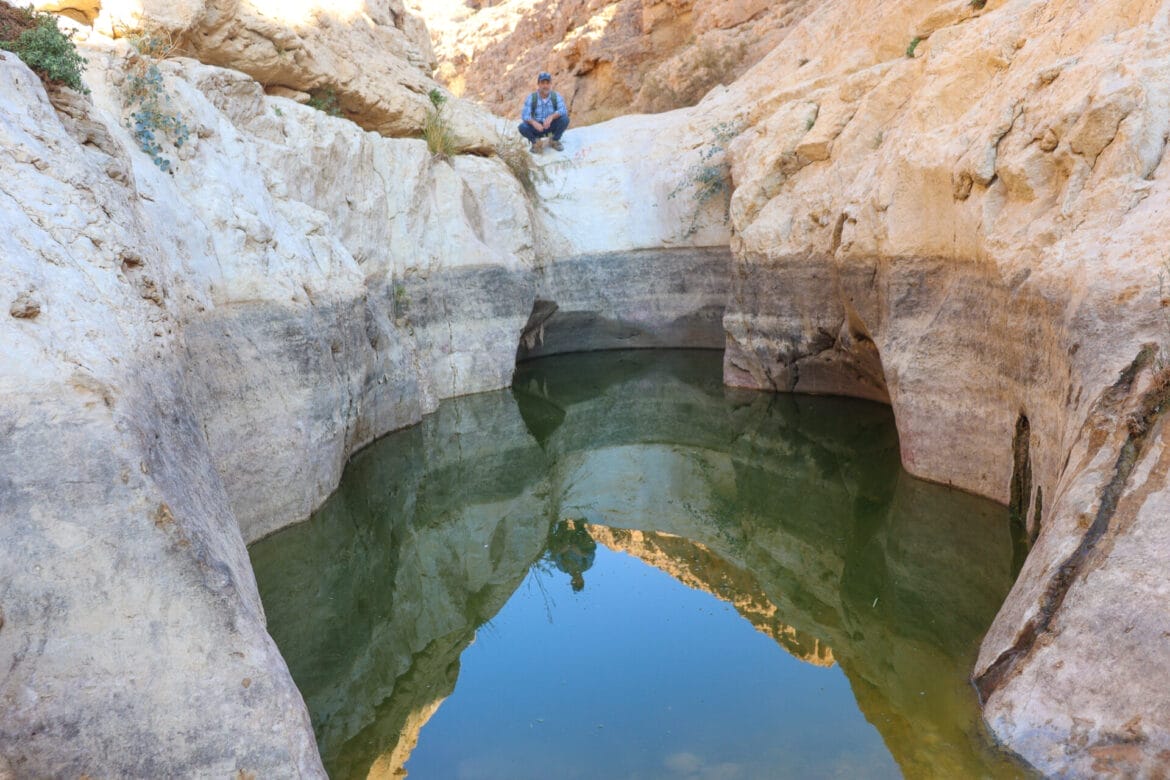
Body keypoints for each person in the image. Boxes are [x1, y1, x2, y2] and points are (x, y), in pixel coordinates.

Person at [519, 71, 569, 154]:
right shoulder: (532, 97)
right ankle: (536, 142)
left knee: (565, 119)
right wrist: (534, 123)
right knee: (522, 127)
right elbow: (525, 115)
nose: (545, 86)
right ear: (538, 84)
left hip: (550, 126)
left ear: (550, 84)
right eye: (542, 83)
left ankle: (554, 140)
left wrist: (552, 117)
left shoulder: (556, 96)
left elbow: (563, 110)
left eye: (547, 83)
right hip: (537, 128)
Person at [546, 519, 595, 592]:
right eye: (580, 581)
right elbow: (591, 555)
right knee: (591, 545)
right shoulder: (586, 566)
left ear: (571, 581)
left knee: (553, 547)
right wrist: (580, 553)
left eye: (575, 582)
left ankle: (562, 525)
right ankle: (579, 525)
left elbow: (556, 555)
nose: (577, 580)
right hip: (578, 542)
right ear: (583, 580)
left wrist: (565, 548)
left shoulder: (563, 568)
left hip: (564, 542)